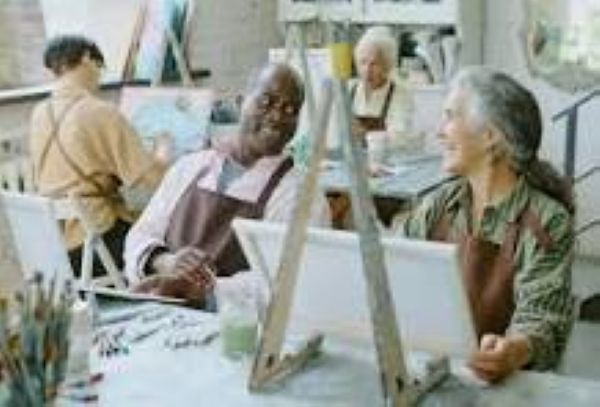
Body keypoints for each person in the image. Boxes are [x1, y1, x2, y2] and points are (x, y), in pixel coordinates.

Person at [398, 67, 575, 383]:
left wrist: (514, 349)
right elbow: (394, 271)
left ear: (490, 137)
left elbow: (542, 319)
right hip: (432, 377)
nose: (439, 132)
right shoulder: (438, 205)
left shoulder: (547, 221)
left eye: (450, 116)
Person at [125, 63, 331, 306]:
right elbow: (141, 234)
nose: (277, 117)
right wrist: (164, 261)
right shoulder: (190, 166)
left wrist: (205, 290)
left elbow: (286, 280)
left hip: (229, 322)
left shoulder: (301, 194)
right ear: (241, 102)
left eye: (290, 109)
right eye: (266, 102)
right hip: (157, 311)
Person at [29, 35, 167, 274]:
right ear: (86, 58)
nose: (99, 79)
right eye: (100, 67)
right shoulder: (99, 112)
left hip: (55, 246)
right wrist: (164, 150)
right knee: (168, 239)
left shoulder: (39, 114)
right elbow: (153, 179)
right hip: (96, 245)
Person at [351, 26, 415, 149]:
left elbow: (399, 139)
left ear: (387, 65)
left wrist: (365, 135)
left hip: (387, 158)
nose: (367, 70)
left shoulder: (401, 94)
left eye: (374, 64)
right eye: (363, 62)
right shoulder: (349, 90)